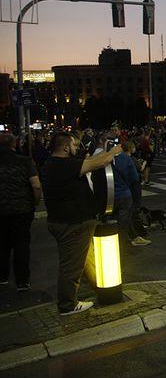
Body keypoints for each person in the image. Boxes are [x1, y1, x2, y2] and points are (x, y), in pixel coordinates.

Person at [41, 132, 121, 315]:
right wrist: (114, 151)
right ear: (65, 147)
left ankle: (101, 286)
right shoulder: (63, 165)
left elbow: (91, 161)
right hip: (73, 223)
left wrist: (105, 151)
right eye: (74, 146)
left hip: (64, 220)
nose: (76, 149)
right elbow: (97, 163)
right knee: (71, 266)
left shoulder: (51, 164)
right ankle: (67, 305)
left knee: (85, 259)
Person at [0, 134, 42, 291]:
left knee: (2, 243)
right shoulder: (24, 161)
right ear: (14, 144)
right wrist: (35, 203)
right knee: (21, 244)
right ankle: (22, 281)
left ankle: (2, 276)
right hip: (22, 209)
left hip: (1, 210)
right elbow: (36, 186)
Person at [112, 140, 150, 246]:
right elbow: (134, 176)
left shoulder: (105, 158)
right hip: (125, 192)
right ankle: (126, 241)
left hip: (111, 194)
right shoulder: (126, 158)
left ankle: (118, 241)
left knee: (114, 220)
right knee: (128, 216)